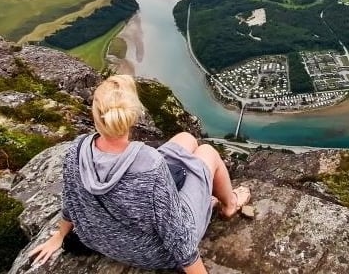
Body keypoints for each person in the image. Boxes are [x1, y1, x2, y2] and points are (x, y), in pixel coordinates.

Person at [29, 74, 250, 274]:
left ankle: (212, 197)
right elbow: (178, 235)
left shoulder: (77, 150)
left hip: (101, 240)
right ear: (133, 117)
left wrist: (59, 237)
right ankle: (229, 205)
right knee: (207, 152)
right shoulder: (150, 166)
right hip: (153, 252)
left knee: (187, 138)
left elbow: (71, 199)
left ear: (96, 115)